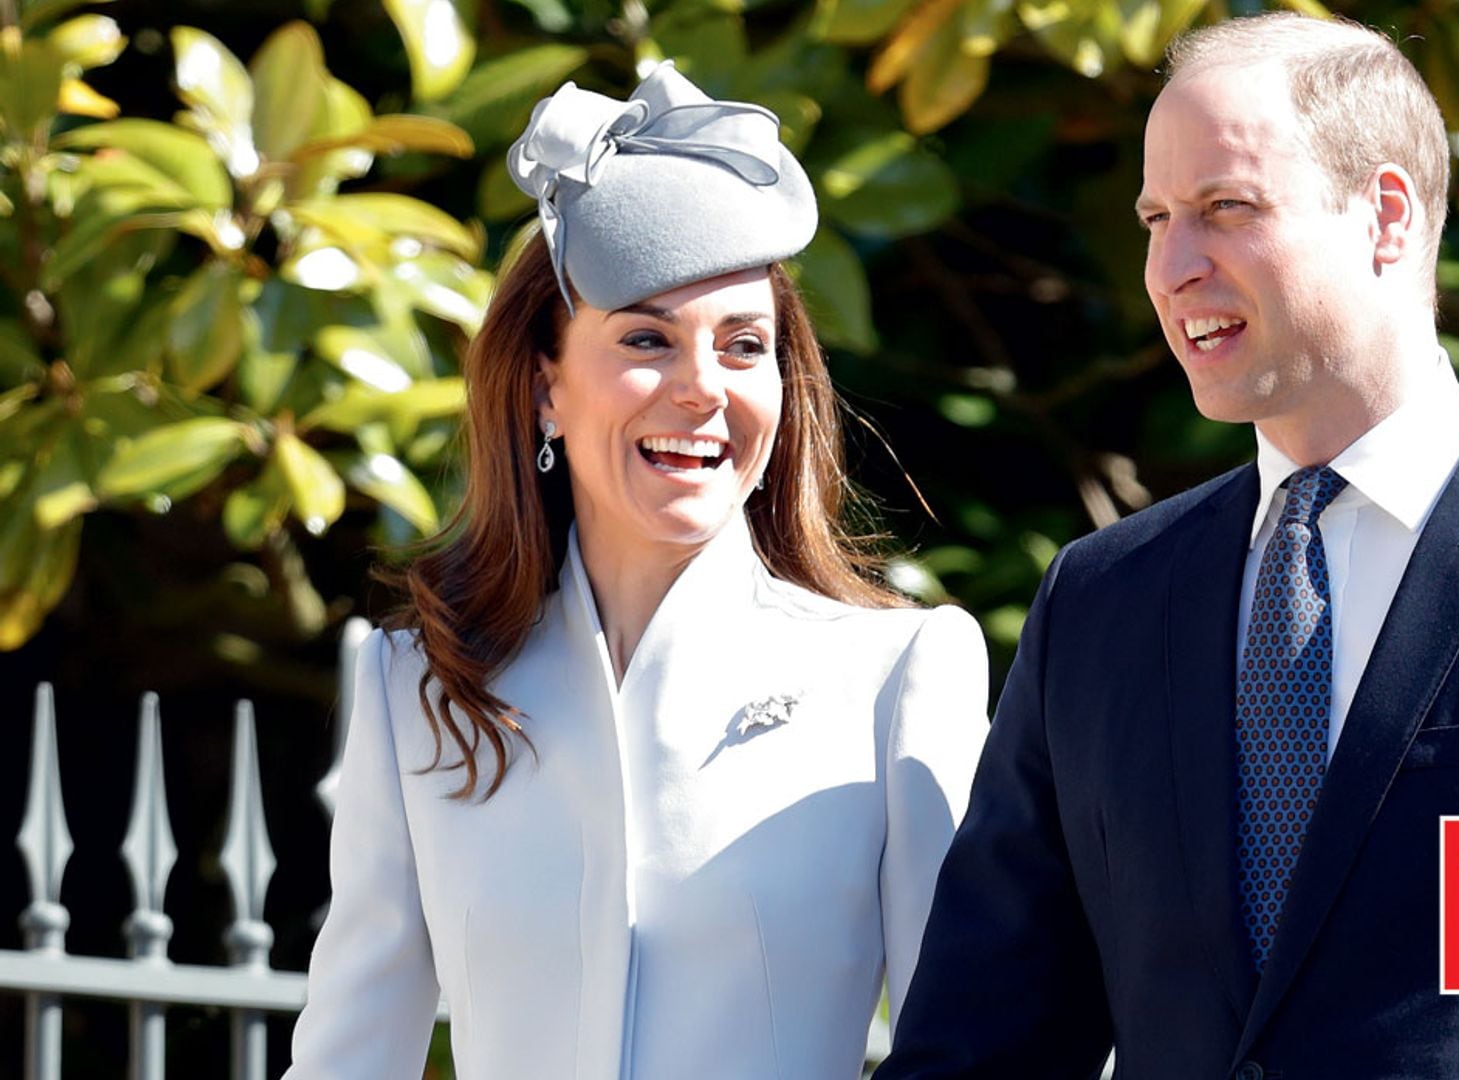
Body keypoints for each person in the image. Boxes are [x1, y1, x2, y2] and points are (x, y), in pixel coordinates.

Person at [876, 13, 1459, 1080]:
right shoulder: (1100, 602)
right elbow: (979, 1047)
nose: (1171, 266)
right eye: (1156, 219)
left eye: (1224, 209)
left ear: (1386, 215)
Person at [286, 63, 988, 1080]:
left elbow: (967, 1047)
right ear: (544, 390)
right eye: (648, 339)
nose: (703, 389)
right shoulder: (416, 685)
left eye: (745, 346)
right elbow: (349, 1055)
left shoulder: (897, 673)